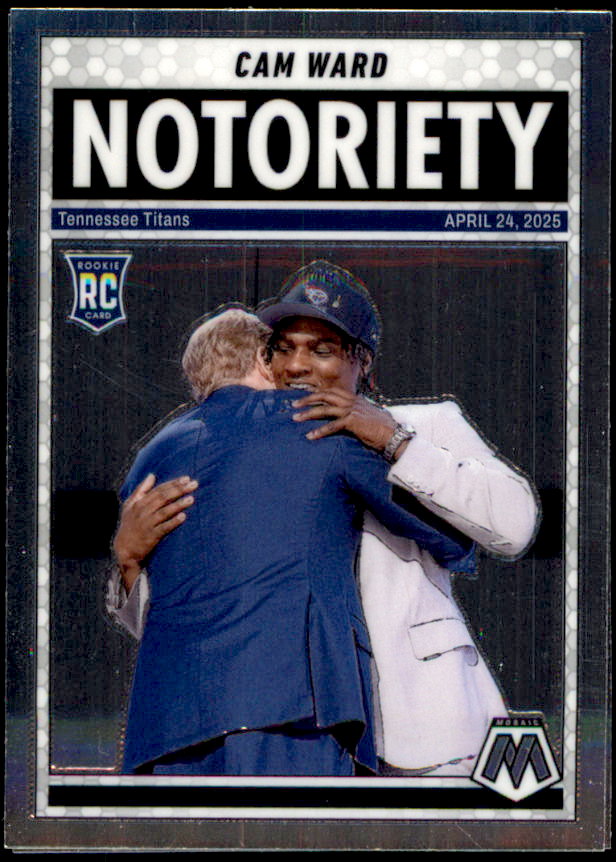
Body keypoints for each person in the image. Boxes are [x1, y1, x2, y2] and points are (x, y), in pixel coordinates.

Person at [109, 260, 539, 776]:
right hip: (308, 723)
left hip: (424, 729)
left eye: (322, 350)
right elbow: (200, 617)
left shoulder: (425, 424)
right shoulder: (259, 451)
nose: (296, 366)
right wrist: (129, 561)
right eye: (283, 348)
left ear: (364, 363)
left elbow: (515, 527)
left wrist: (394, 441)